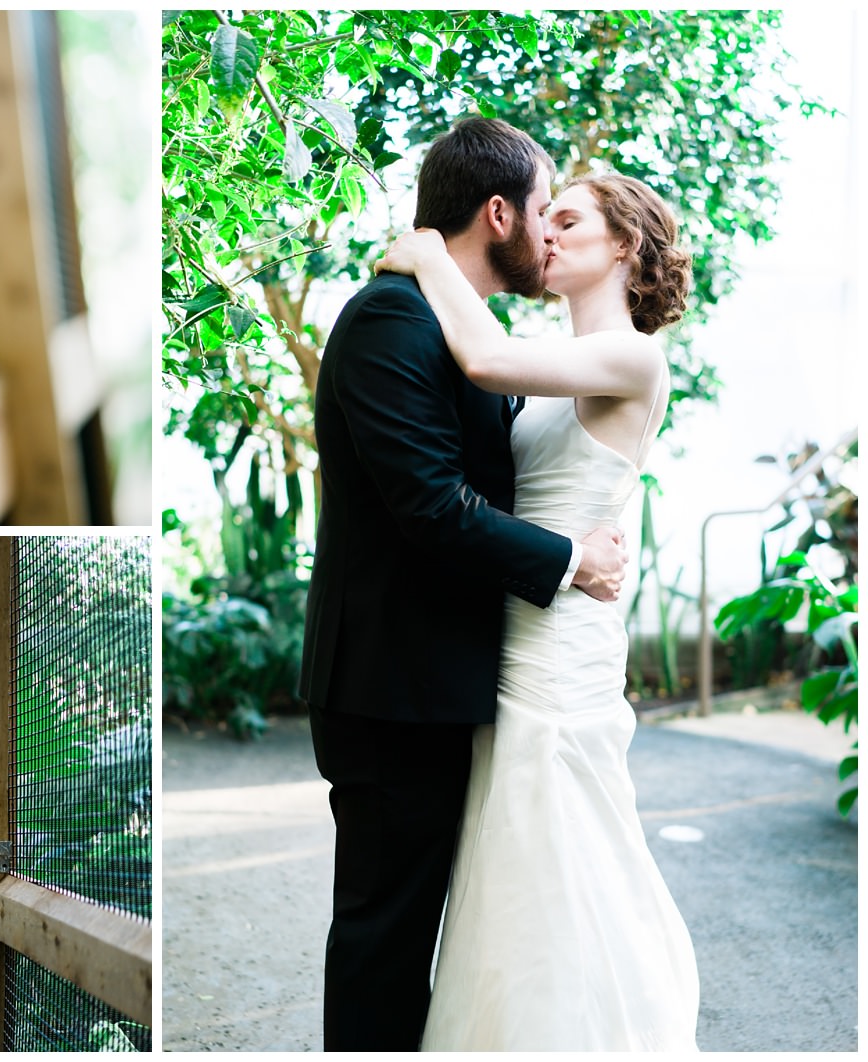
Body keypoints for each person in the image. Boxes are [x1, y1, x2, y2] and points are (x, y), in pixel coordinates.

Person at [297, 116, 630, 1051]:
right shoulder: (389, 320)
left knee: (442, 929)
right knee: (385, 935)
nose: (549, 233)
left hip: (446, 684)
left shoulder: (449, 322)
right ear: (497, 213)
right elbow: (432, 505)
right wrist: (568, 561)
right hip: (390, 690)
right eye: (540, 209)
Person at [375, 171, 699, 1049]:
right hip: (517, 626)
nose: (543, 234)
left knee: (558, 844)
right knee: (509, 860)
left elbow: (482, 360)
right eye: (542, 217)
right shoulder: (554, 357)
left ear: (625, 245)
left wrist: (426, 256)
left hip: (562, 648)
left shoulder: (633, 355)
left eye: (567, 220)